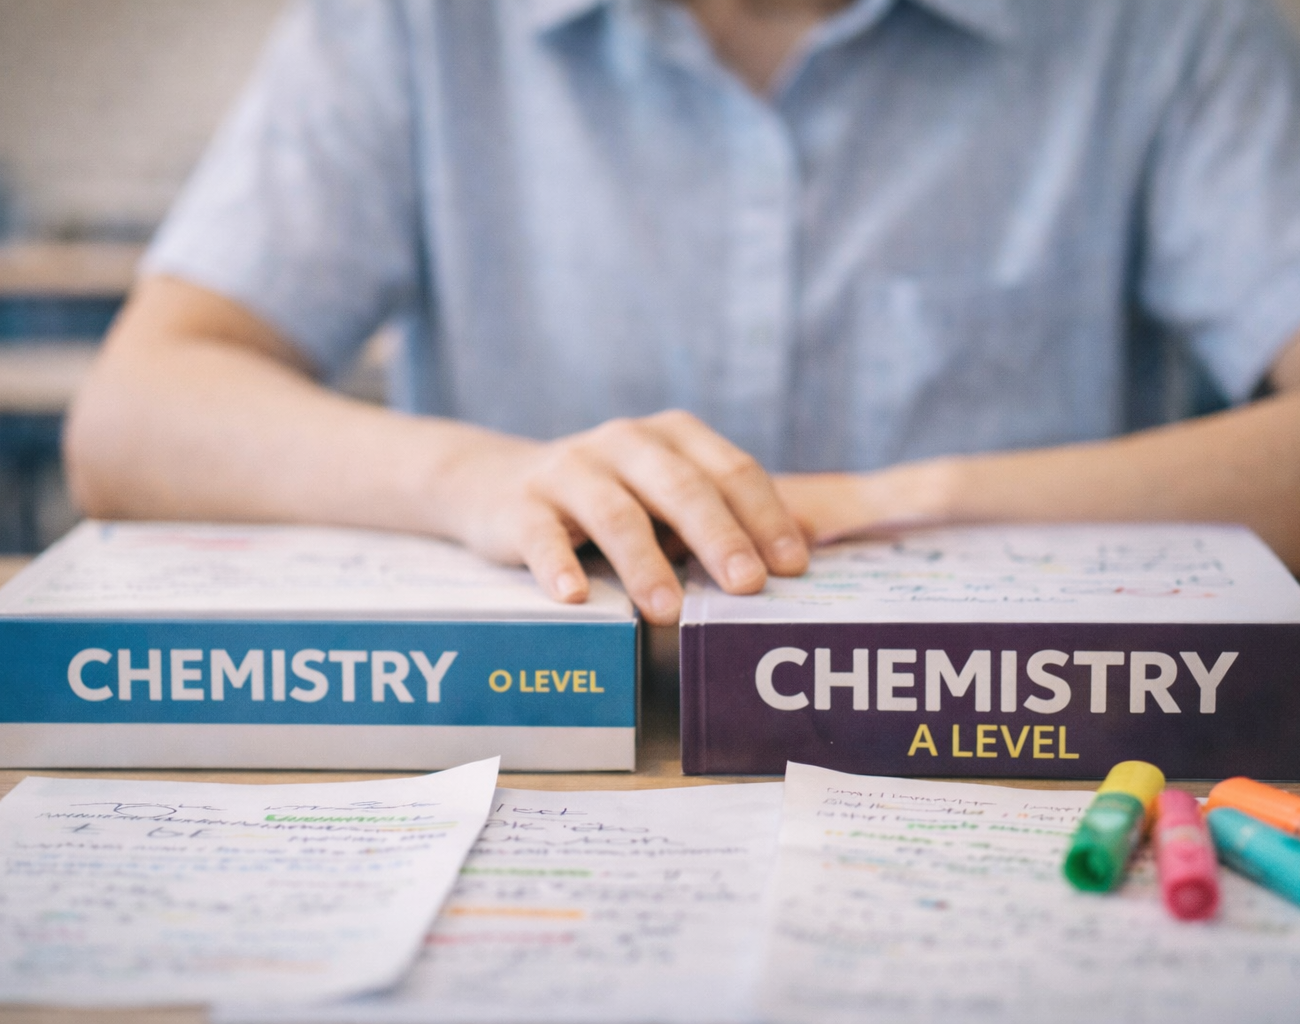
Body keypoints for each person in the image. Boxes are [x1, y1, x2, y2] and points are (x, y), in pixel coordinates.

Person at [65, 0, 1300, 626]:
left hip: (1033, 758)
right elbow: (134, 414)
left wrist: (887, 509)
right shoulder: (413, 21)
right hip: (528, 765)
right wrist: (477, 480)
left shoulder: (1171, 26)